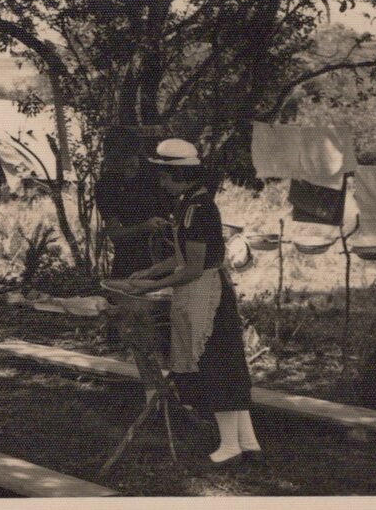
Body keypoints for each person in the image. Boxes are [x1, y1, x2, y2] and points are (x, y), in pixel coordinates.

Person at [127, 138, 262, 467]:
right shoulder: (188, 203)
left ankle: (230, 446)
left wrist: (151, 287)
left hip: (209, 295)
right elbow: (182, 256)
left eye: (164, 176)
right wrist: (150, 271)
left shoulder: (199, 209)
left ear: (178, 175)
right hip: (201, 290)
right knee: (227, 364)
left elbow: (192, 268)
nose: (161, 183)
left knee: (217, 366)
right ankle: (248, 442)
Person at [95, 127, 173, 280]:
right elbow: (114, 233)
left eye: (128, 162)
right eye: (115, 162)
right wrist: (144, 227)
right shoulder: (106, 185)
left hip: (165, 256)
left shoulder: (157, 173)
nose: (123, 169)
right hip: (129, 259)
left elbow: (178, 209)